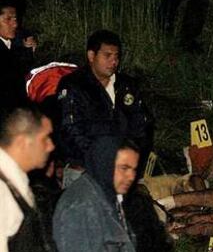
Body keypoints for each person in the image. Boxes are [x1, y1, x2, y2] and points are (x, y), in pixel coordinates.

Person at [57, 30, 153, 182]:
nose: (113, 61)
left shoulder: (127, 86)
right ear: (91, 55)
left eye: (116, 56)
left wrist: (132, 160)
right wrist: (100, 159)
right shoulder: (74, 85)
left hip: (124, 168)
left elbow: (142, 125)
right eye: (107, 56)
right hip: (85, 168)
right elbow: (70, 129)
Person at [53, 137, 139, 252]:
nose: (131, 176)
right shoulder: (81, 206)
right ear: (104, 163)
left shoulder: (108, 197)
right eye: (124, 168)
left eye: (134, 169)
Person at [0, 105, 55, 252]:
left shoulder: (15, 183)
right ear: (22, 143)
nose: (51, 146)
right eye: (45, 138)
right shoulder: (2, 192)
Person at [0, 0, 35, 109]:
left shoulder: (17, 44)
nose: (14, 24)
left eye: (15, 19)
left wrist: (29, 51)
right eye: (8, 19)